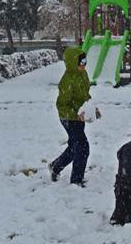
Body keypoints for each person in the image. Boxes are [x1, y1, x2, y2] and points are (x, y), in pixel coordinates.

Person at [48, 47, 99, 186]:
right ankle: (76, 180)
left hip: (79, 116)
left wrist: (92, 109)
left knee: (74, 146)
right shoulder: (67, 80)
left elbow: (85, 94)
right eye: (81, 61)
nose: (84, 64)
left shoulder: (82, 74)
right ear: (72, 62)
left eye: (85, 60)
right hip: (68, 118)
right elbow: (62, 105)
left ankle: (55, 166)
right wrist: (76, 115)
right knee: (82, 147)